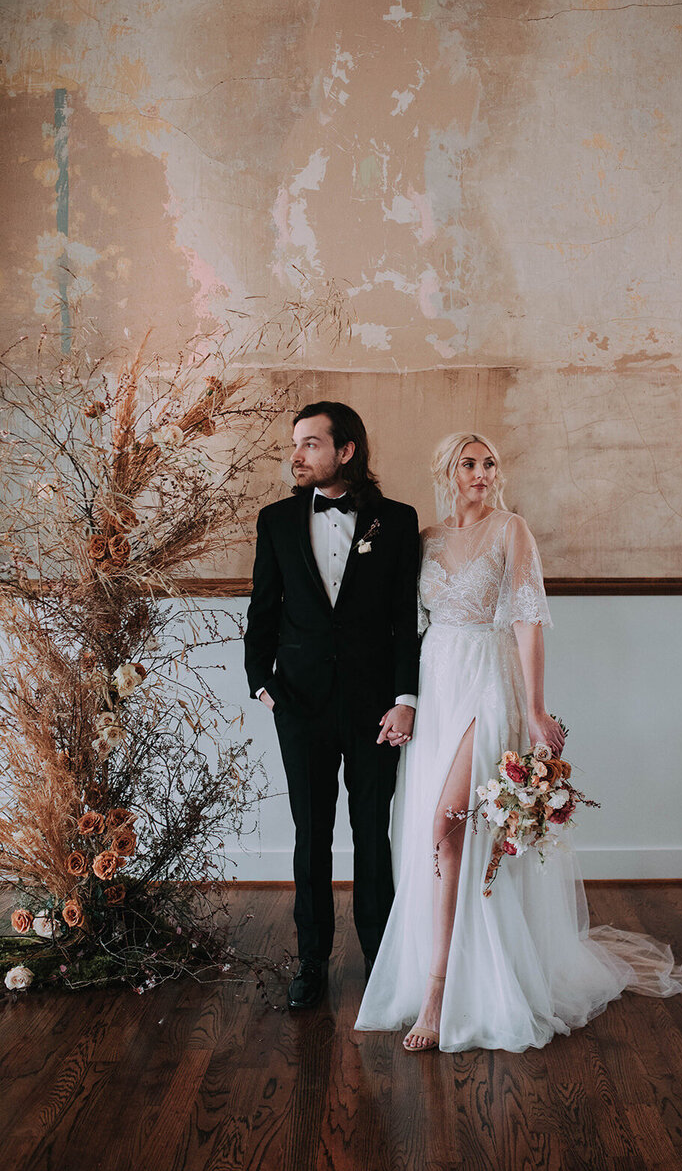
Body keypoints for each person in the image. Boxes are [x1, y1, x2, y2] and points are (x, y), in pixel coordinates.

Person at [355, 432, 682, 1052]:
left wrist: (533, 711)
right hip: (437, 679)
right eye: (469, 463)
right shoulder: (425, 540)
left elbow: (528, 622)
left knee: (446, 824)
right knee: (445, 840)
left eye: (490, 464)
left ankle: (437, 992)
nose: (482, 473)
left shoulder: (513, 531)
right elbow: (406, 625)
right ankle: (450, 975)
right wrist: (401, 699)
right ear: (447, 471)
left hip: (487, 681)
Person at [244, 401, 419, 1009]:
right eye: (296, 444)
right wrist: (260, 682)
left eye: (311, 444)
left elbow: (404, 620)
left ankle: (382, 962)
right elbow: (262, 609)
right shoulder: (276, 519)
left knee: (374, 836)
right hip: (301, 703)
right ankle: (311, 962)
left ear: (346, 450)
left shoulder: (396, 521)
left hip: (377, 709)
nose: (297, 455)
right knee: (310, 835)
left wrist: (405, 699)